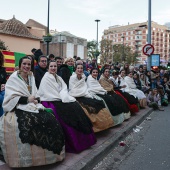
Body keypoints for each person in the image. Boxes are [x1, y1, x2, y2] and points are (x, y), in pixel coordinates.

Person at [0, 56, 65, 167]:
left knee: (50, 119)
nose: (26, 66)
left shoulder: (31, 76)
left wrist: (35, 99)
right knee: (27, 125)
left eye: (29, 64)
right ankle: (28, 159)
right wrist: (26, 99)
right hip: (17, 107)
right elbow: (9, 98)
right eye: (24, 64)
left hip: (32, 106)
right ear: (20, 65)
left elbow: (35, 92)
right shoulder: (13, 78)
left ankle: (51, 156)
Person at [38, 60, 96, 153]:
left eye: (55, 66)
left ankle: (85, 140)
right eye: (51, 66)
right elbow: (48, 92)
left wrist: (64, 96)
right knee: (65, 113)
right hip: (50, 100)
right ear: (48, 68)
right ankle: (74, 143)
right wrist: (60, 97)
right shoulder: (46, 78)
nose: (53, 68)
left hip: (60, 98)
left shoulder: (58, 77)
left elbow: (64, 88)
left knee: (75, 106)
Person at [69, 63, 114, 132]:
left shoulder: (83, 77)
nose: (80, 70)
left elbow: (84, 87)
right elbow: (73, 89)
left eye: (81, 68)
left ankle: (103, 125)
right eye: (78, 68)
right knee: (88, 108)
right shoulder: (72, 78)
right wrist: (81, 92)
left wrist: (85, 93)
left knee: (98, 103)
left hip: (84, 94)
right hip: (76, 96)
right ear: (75, 69)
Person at [0, 51, 7, 117]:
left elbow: (4, 81)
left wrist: (5, 85)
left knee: (5, 96)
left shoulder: (2, 70)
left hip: (2, 91)